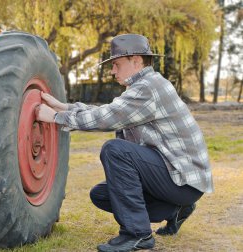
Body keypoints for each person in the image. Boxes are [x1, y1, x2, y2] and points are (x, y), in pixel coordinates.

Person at [35, 33, 213, 252]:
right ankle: (173, 209)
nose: (112, 71)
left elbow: (106, 118)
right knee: (101, 195)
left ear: (136, 61)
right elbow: (109, 112)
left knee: (115, 150)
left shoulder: (147, 87)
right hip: (177, 179)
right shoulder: (144, 85)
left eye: (117, 64)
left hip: (183, 180)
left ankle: (138, 234)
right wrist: (64, 107)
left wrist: (54, 117)